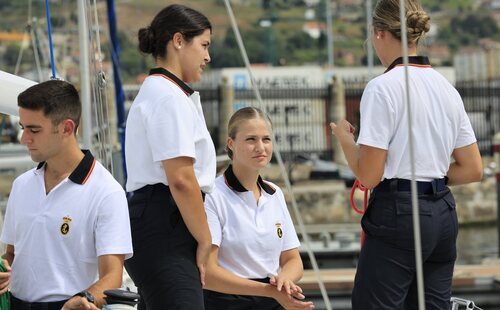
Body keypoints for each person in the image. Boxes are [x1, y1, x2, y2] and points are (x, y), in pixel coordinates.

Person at [330, 0, 483, 309]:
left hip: (400, 214)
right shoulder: (446, 88)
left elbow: (369, 175)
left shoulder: (381, 88)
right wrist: (428, 170)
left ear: (379, 33)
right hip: (442, 216)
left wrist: (346, 141)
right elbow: (472, 169)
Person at [0, 79, 133, 310]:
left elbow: (112, 276)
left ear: (67, 128)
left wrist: (86, 299)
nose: (24, 139)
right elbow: (11, 254)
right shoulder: (21, 185)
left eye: (34, 130)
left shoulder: (106, 192)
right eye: (23, 128)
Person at [123, 4, 216, 309]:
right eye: (203, 45)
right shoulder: (168, 97)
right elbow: (180, 179)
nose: (207, 56)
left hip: (160, 222)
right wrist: (205, 240)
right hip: (166, 224)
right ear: (178, 41)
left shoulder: (163, 92)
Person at [203, 107, 314, 310]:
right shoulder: (212, 195)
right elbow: (208, 273)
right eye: (251, 139)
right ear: (231, 143)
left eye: (266, 139)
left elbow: (292, 259)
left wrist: (284, 281)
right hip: (226, 303)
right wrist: (268, 291)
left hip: (274, 300)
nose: (260, 147)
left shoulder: (275, 193)